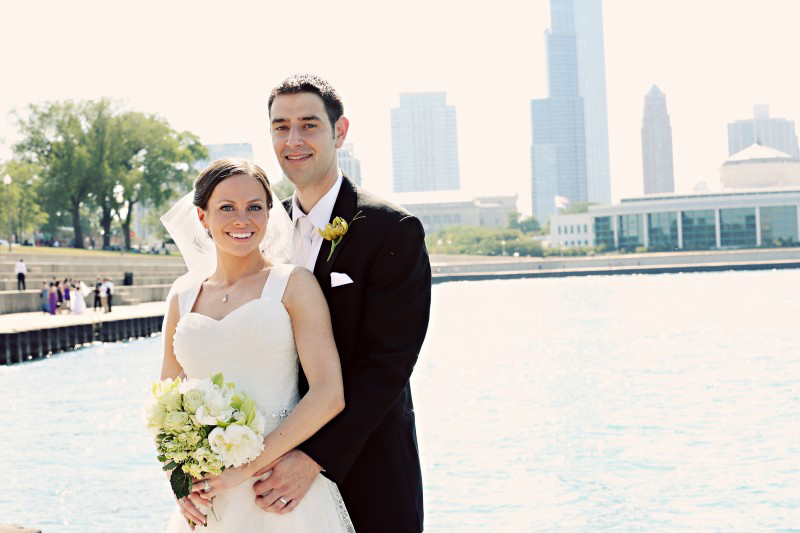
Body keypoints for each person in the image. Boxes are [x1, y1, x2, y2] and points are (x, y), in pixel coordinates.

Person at [252, 75, 431, 532]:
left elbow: (387, 364)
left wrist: (314, 457)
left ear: (340, 131)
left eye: (309, 125)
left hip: (368, 468)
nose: (293, 140)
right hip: (267, 477)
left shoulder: (392, 229)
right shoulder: (262, 231)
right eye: (280, 127)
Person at [160, 158, 354, 532]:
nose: (242, 220)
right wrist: (178, 479)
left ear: (269, 213)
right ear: (202, 217)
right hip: (208, 496)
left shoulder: (293, 284)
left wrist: (245, 470)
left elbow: (330, 393)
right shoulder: (181, 297)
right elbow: (166, 402)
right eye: (226, 208)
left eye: (254, 207)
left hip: (278, 487)